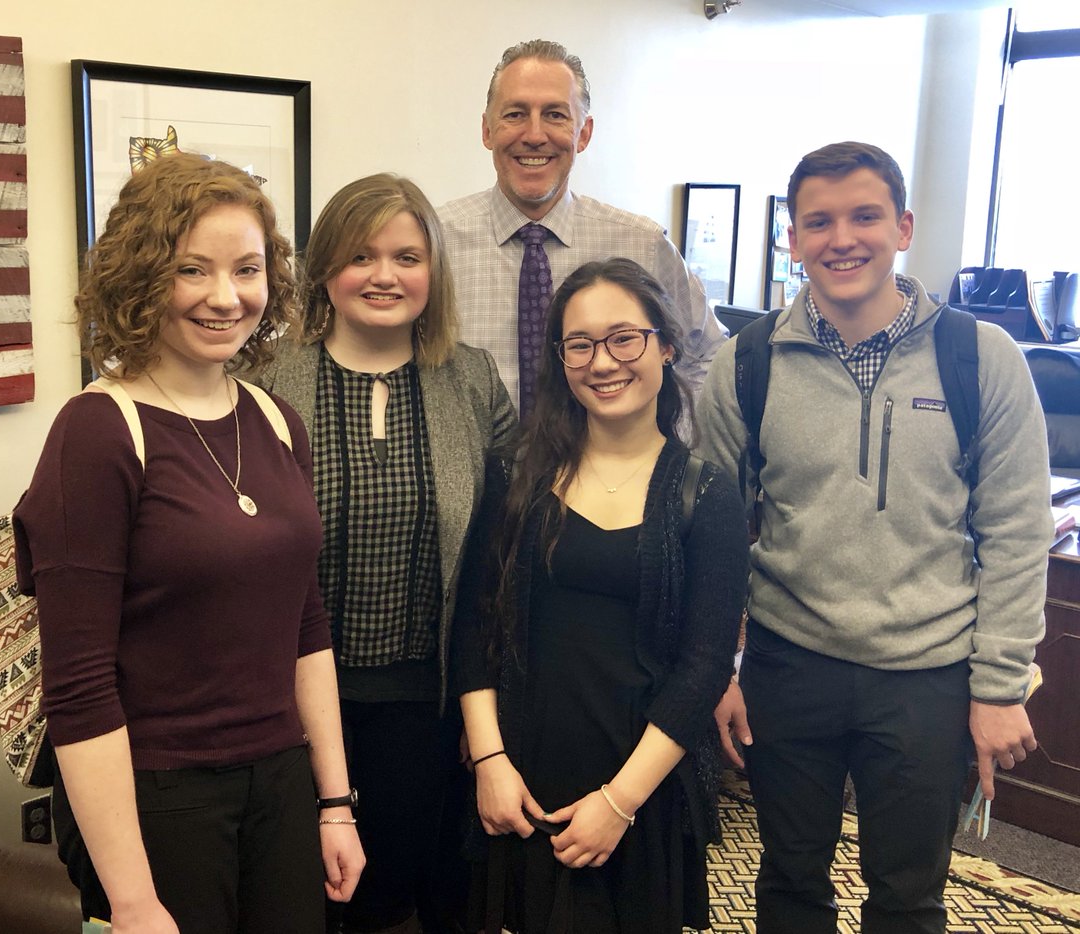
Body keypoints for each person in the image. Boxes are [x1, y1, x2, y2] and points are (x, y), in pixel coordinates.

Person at [696, 141, 1053, 934]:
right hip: (790, 665)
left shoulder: (979, 358)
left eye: (864, 216)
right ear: (793, 239)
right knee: (789, 880)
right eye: (818, 222)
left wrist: (999, 683)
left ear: (903, 226)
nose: (842, 239)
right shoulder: (747, 362)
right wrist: (719, 667)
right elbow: (714, 532)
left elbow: (1018, 529)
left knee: (908, 894)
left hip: (927, 674)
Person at [14, 153, 364, 933]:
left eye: (246, 269)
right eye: (192, 270)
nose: (224, 296)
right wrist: (133, 900)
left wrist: (334, 802)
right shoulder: (99, 431)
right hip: (155, 794)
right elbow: (77, 687)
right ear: (142, 277)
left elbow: (306, 627)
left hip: (278, 781)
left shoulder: (276, 422)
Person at [452, 257, 749, 932]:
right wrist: (490, 762)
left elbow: (704, 668)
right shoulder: (517, 476)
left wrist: (619, 803)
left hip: (641, 787)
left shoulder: (708, 495)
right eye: (579, 344)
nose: (603, 361)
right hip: (523, 777)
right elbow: (476, 627)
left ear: (667, 347)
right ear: (560, 360)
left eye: (625, 338)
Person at [255, 173, 516, 934]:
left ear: (433, 271)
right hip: (290, 705)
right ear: (324, 270)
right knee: (303, 899)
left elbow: (499, 559)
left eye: (407, 256)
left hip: (422, 705)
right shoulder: (266, 383)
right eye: (361, 255)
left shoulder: (471, 380)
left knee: (394, 899)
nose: (384, 276)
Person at [438, 39, 726, 418]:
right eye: (515, 114)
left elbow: (708, 354)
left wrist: (673, 443)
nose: (535, 135)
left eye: (556, 115)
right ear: (487, 130)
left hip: (610, 474)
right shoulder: (433, 244)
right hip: (474, 475)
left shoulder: (641, 245)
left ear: (584, 133)